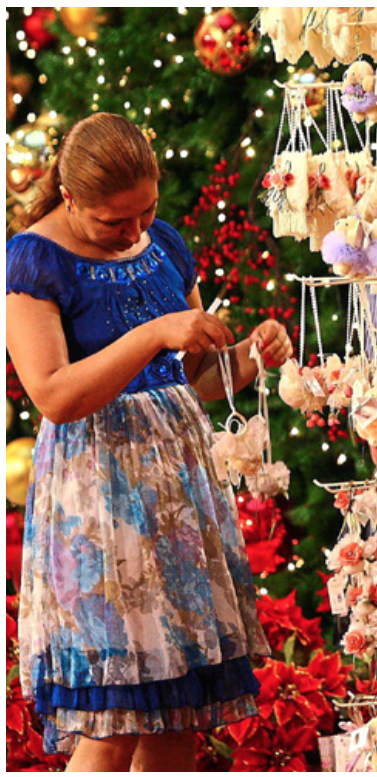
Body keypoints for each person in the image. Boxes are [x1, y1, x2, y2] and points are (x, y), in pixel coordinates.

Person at [5, 113, 292, 771]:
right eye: (114, 221)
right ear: (69, 197)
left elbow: (195, 379)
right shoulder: (33, 260)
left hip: (177, 503)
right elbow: (52, 392)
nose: (134, 231)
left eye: (146, 211)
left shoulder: (163, 243)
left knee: (177, 716)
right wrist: (155, 332)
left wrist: (249, 353)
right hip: (98, 503)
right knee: (112, 721)